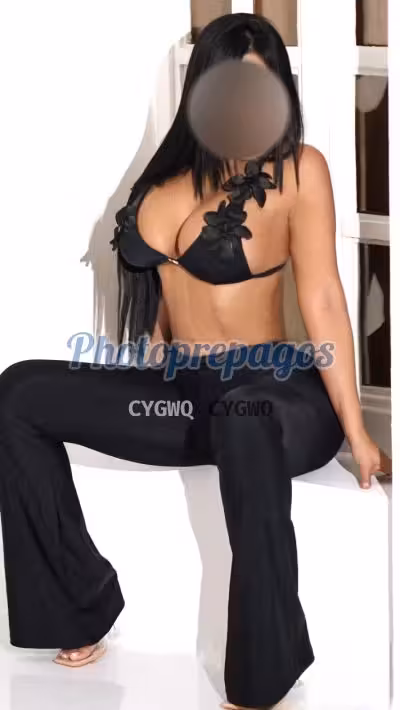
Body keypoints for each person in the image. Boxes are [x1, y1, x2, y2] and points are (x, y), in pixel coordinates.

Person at [0, 12, 391, 710]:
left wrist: (357, 432)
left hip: (275, 391)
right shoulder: (168, 176)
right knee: (18, 394)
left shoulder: (299, 171)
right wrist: (155, 351)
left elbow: (325, 298)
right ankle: (78, 604)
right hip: (183, 391)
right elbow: (163, 289)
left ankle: (263, 675)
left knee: (243, 418)